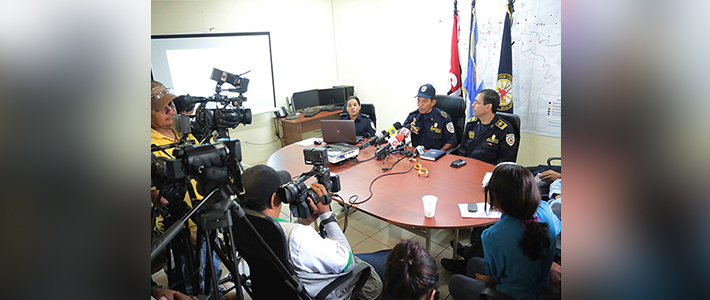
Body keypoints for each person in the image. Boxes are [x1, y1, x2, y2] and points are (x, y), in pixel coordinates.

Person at [240, 164, 385, 300]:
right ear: (273, 199)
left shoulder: (239, 223)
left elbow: (276, 238)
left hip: (274, 290)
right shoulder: (298, 236)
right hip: (322, 292)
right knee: (386, 258)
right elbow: (347, 262)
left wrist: (302, 223)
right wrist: (327, 216)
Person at [448, 163, 561, 300]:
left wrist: (487, 280)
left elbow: (494, 276)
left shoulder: (493, 235)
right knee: (473, 262)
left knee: (456, 282)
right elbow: (556, 228)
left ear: (496, 197)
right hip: (542, 286)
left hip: (511, 296)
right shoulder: (545, 209)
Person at [456, 89, 517, 165]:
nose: (473, 105)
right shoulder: (471, 124)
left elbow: (505, 162)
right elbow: (462, 150)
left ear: (488, 107)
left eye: (477, 102)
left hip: (489, 172)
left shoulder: (505, 130)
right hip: (468, 167)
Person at [403, 84, 457, 151]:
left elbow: (451, 142)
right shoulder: (413, 116)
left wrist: (438, 153)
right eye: (419, 100)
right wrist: (408, 129)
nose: (420, 104)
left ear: (433, 102)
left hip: (435, 156)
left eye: (425, 101)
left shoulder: (443, 118)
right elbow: (400, 133)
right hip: (416, 155)